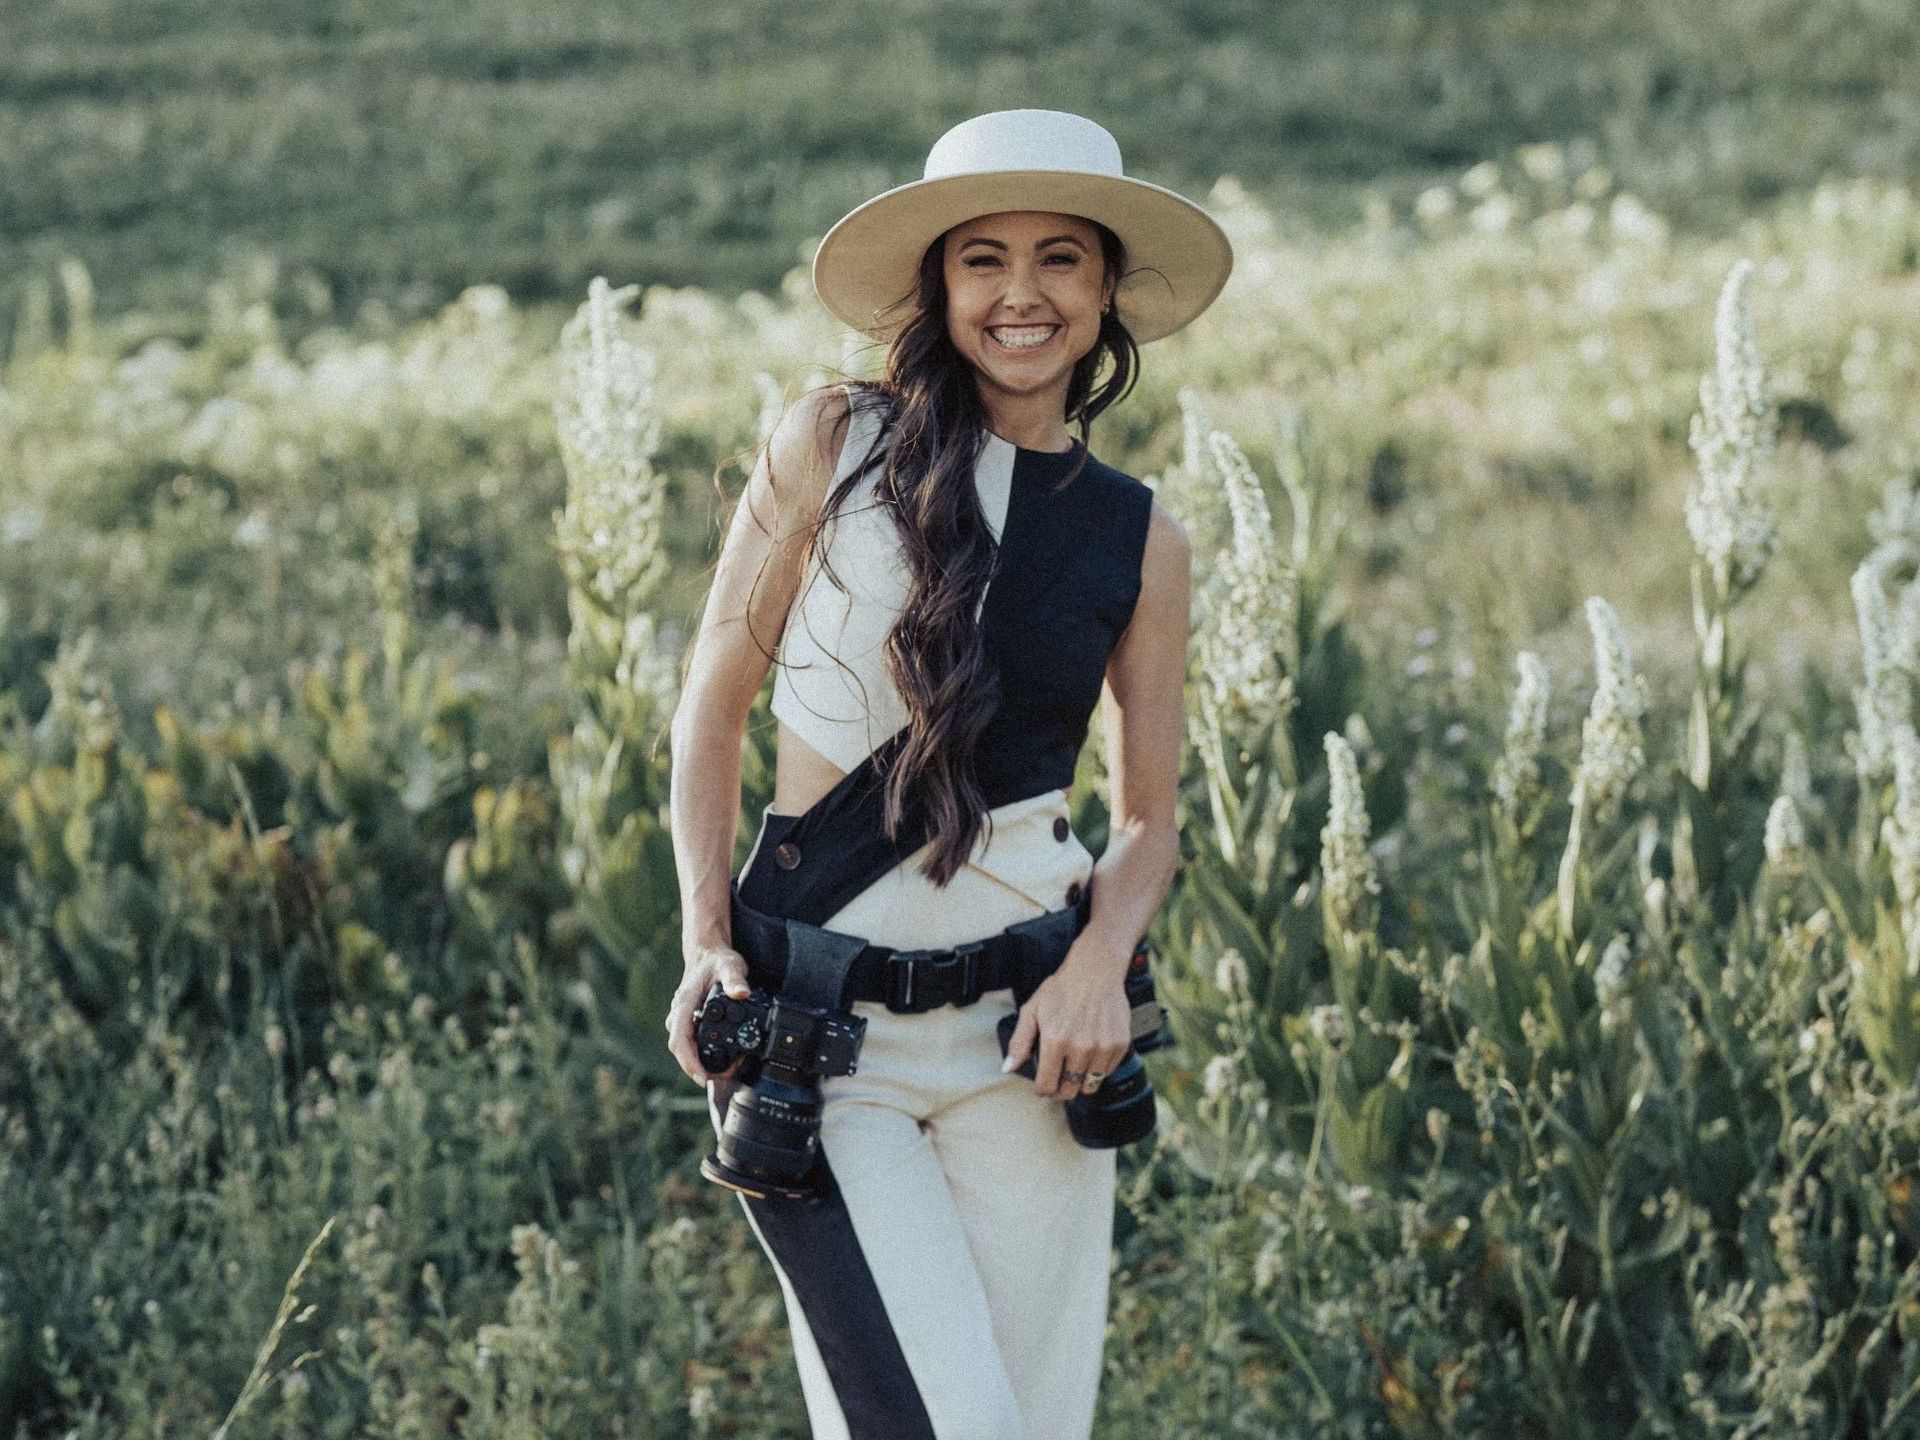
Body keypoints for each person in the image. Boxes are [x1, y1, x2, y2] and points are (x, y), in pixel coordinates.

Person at [665, 108, 1232, 1440]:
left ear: (1104, 298)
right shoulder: (831, 446)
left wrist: (1100, 966)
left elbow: (1147, 822)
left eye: (1059, 261)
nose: (1021, 294)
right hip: (826, 1042)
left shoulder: (1142, 535)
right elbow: (710, 713)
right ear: (938, 287)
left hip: (1031, 1047)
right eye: (983, 259)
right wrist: (704, 940)